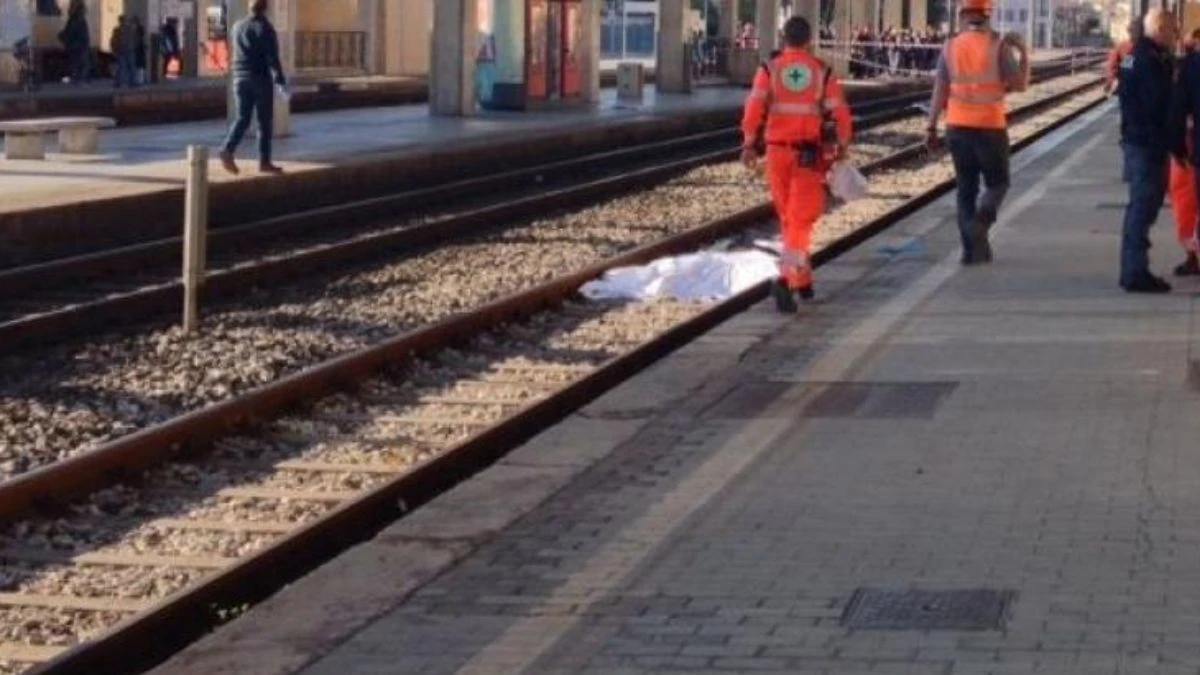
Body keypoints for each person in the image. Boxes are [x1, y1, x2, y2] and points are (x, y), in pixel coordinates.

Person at [740, 16, 853, 312]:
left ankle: (803, 281)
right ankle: (785, 279)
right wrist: (842, 144)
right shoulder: (821, 72)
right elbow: (840, 112)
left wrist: (749, 143)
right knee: (801, 220)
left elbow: (753, 107)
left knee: (790, 219)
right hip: (807, 156)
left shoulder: (769, 69)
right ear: (810, 40)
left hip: (776, 154)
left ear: (783, 38)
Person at [925, 0, 1030, 265]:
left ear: (963, 15)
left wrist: (931, 125)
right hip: (990, 127)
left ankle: (971, 251)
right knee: (998, 183)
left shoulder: (949, 47)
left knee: (965, 189)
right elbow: (1020, 85)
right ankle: (980, 225)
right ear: (988, 15)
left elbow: (940, 90)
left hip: (957, 127)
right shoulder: (999, 45)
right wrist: (1024, 52)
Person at [1119, 8, 1177, 293]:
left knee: (1139, 208)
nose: (1175, 35)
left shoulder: (1136, 56)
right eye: (1171, 29)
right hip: (1146, 145)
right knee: (1142, 207)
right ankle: (1135, 272)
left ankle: (1132, 268)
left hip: (1136, 141)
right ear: (1159, 29)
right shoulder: (1149, 61)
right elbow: (1158, 104)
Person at [219, 0, 286, 175]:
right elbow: (272, 57)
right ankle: (264, 162)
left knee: (242, 118)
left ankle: (227, 149)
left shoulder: (237, 26)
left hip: (239, 78)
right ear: (266, 8)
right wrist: (280, 80)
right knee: (264, 122)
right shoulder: (265, 28)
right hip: (260, 78)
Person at [1169, 28, 1200, 277]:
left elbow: (1178, 109)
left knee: (1190, 203)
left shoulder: (1191, 65)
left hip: (1196, 150)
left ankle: (1194, 257)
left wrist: (1177, 146)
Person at [1105, 21, 1141, 97]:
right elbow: (1115, 67)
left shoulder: (1125, 47)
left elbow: (1114, 66)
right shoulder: (1125, 47)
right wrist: (1113, 79)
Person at [58, 0, 90, 84]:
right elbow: (83, 35)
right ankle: (79, 78)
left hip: (75, 45)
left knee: (76, 63)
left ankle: (77, 78)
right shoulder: (79, 21)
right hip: (78, 45)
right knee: (80, 62)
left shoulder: (74, 21)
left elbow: (69, 33)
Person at [109, 15, 137, 88]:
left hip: (121, 50)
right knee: (130, 67)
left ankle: (119, 82)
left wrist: (114, 49)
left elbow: (113, 40)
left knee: (121, 67)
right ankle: (132, 82)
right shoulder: (130, 29)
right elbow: (134, 39)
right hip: (128, 50)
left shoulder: (117, 30)